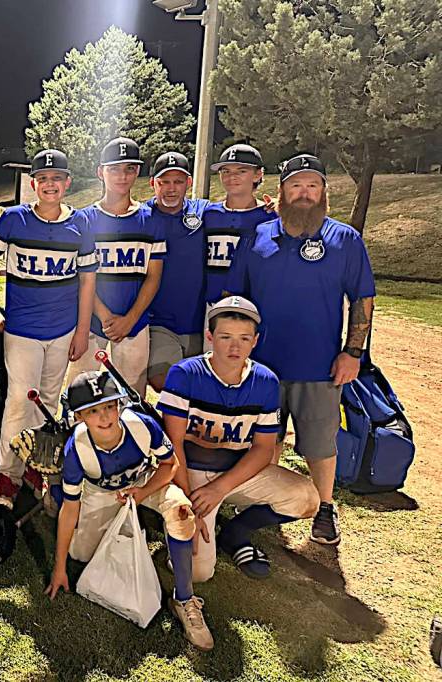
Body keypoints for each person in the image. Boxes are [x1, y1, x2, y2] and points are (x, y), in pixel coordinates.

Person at [226, 154, 375, 545]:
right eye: (296, 186)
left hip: (319, 366)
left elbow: (362, 300)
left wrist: (353, 352)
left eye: (312, 186)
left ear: (324, 192)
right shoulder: (257, 238)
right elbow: (235, 299)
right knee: (264, 440)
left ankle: (324, 508)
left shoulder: (344, 240)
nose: (304, 193)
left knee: (319, 444)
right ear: (282, 191)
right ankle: (263, 508)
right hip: (261, 366)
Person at [45, 370, 213, 651]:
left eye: (110, 406)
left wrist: (143, 492)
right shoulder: (77, 449)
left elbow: (170, 465)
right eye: (94, 410)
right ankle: (55, 489)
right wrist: (59, 567)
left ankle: (184, 600)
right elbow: (71, 510)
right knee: (81, 554)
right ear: (80, 417)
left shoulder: (141, 425)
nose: (105, 416)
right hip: (102, 490)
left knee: (181, 511)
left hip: (144, 480)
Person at [157, 296, 319, 579]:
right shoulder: (185, 374)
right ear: (210, 337)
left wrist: (218, 489)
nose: (235, 347)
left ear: (255, 341)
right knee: (197, 573)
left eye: (244, 338)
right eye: (225, 337)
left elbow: (262, 449)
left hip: (234, 474)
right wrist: (187, 498)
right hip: (188, 472)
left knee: (306, 498)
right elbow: (174, 444)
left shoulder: (266, 380)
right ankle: (172, 514)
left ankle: (236, 531)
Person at [0, 149, 97, 509]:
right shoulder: (14, 219)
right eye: (43, 179)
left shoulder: (81, 225)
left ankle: (34, 464)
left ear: (67, 183)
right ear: (34, 184)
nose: (50, 185)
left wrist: (81, 330)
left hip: (62, 330)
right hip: (23, 330)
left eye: (56, 178)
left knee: (46, 403)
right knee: (18, 401)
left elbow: (88, 281)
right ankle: (7, 476)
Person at [68, 137, 163, 396]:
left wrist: (130, 319)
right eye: (114, 169)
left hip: (135, 320)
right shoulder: (83, 219)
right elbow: (79, 276)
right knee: (79, 392)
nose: (122, 176)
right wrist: (105, 316)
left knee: (132, 397)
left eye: (129, 169)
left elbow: (153, 277)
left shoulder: (151, 220)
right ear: (101, 172)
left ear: (138, 172)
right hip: (90, 319)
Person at [145, 152, 210, 391]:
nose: (171, 189)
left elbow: (237, 213)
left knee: (200, 389)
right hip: (159, 321)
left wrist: (269, 209)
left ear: (189, 183)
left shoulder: (204, 212)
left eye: (178, 181)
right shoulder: (141, 217)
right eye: (164, 182)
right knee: (166, 383)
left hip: (199, 322)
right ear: (153, 183)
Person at [202, 144, 274, 346]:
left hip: (256, 306)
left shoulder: (270, 216)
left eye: (241, 171)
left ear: (258, 174)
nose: (232, 177)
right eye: (226, 171)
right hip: (214, 305)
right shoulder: (210, 214)